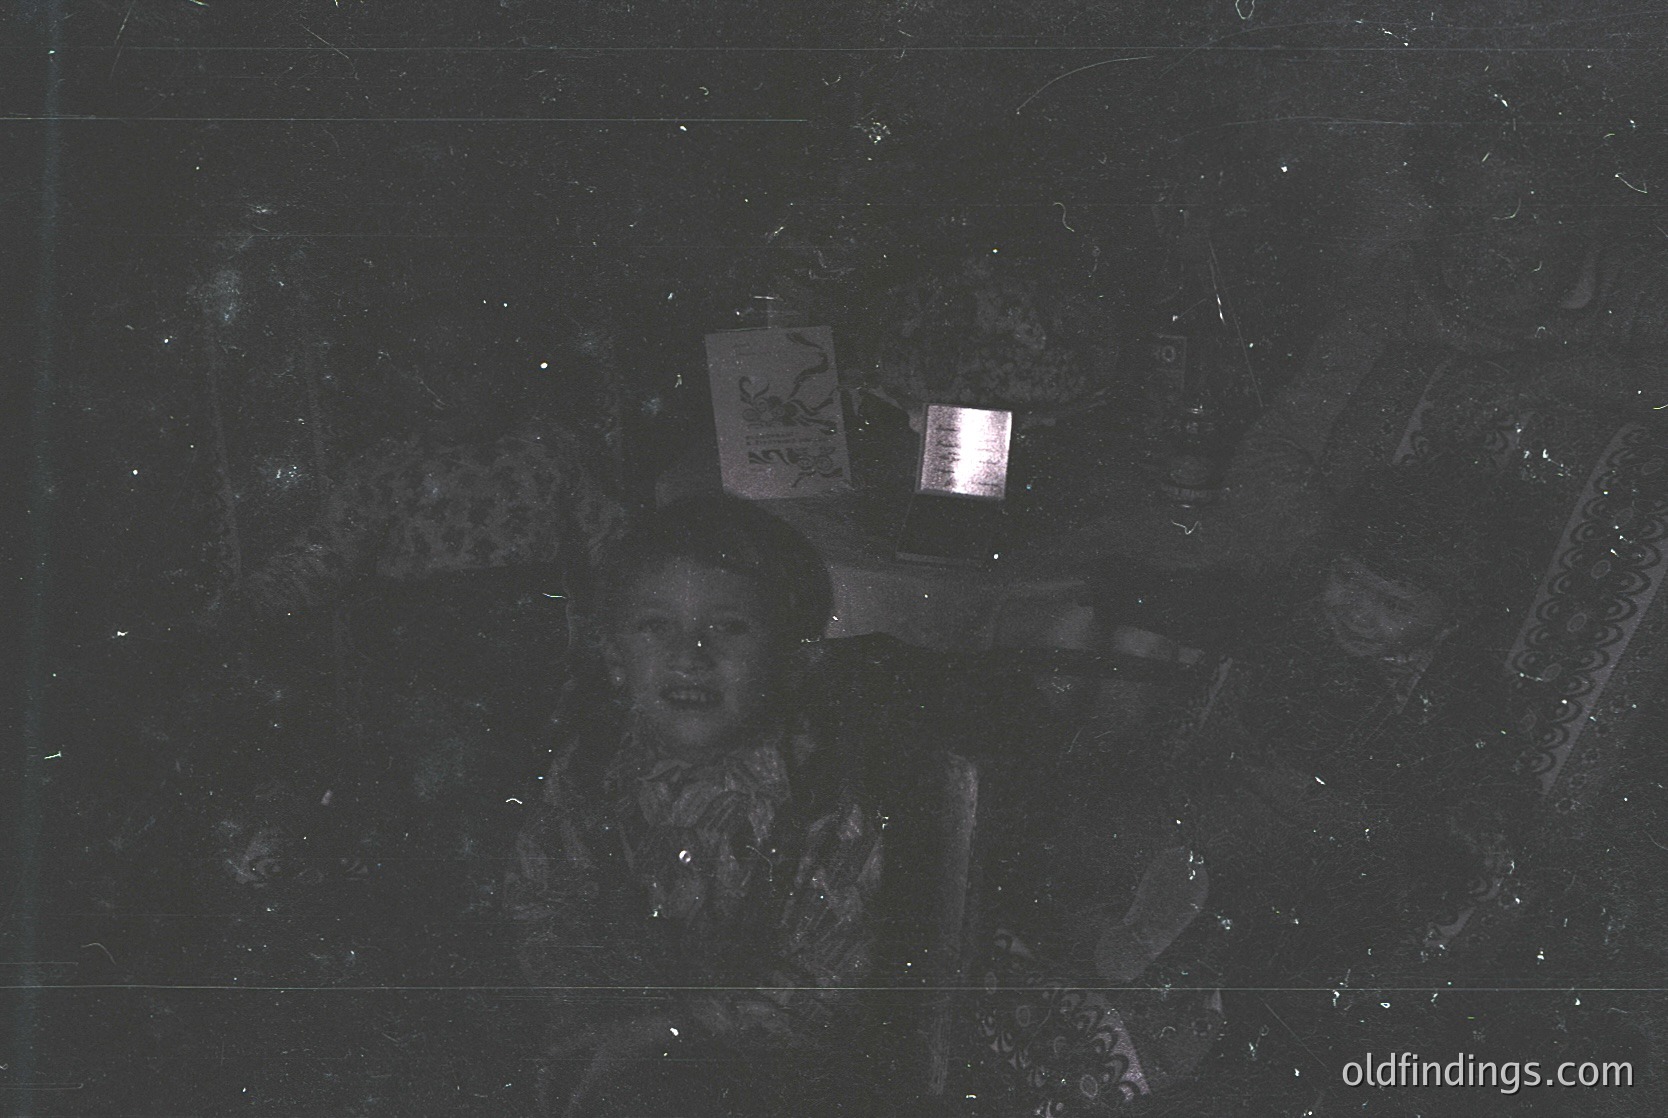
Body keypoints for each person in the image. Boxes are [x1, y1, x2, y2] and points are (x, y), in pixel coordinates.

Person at [1157, 466, 1540, 1112]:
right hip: (1268, 815)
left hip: (1360, 869)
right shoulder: (1307, 627)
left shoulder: (1468, 697)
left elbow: (1458, 817)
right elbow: (1235, 631)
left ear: (1454, 619)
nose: (1355, 610)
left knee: (1289, 960)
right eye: (1346, 580)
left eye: (1393, 604)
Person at [504, 496, 884, 1117]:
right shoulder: (590, 768)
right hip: (608, 1047)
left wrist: (669, 1031)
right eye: (656, 626)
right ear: (613, 656)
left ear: (789, 657)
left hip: (768, 1074)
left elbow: (826, 985)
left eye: (729, 627)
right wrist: (591, 1027)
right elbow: (544, 907)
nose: (692, 655)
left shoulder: (819, 797)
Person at [1218, 128, 1668, 565]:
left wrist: (1568, 373)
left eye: (1517, 220)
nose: (1482, 246)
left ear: (1584, 219)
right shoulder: (1400, 288)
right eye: (1461, 217)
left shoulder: (1641, 290)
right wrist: (1353, 571)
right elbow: (1279, 446)